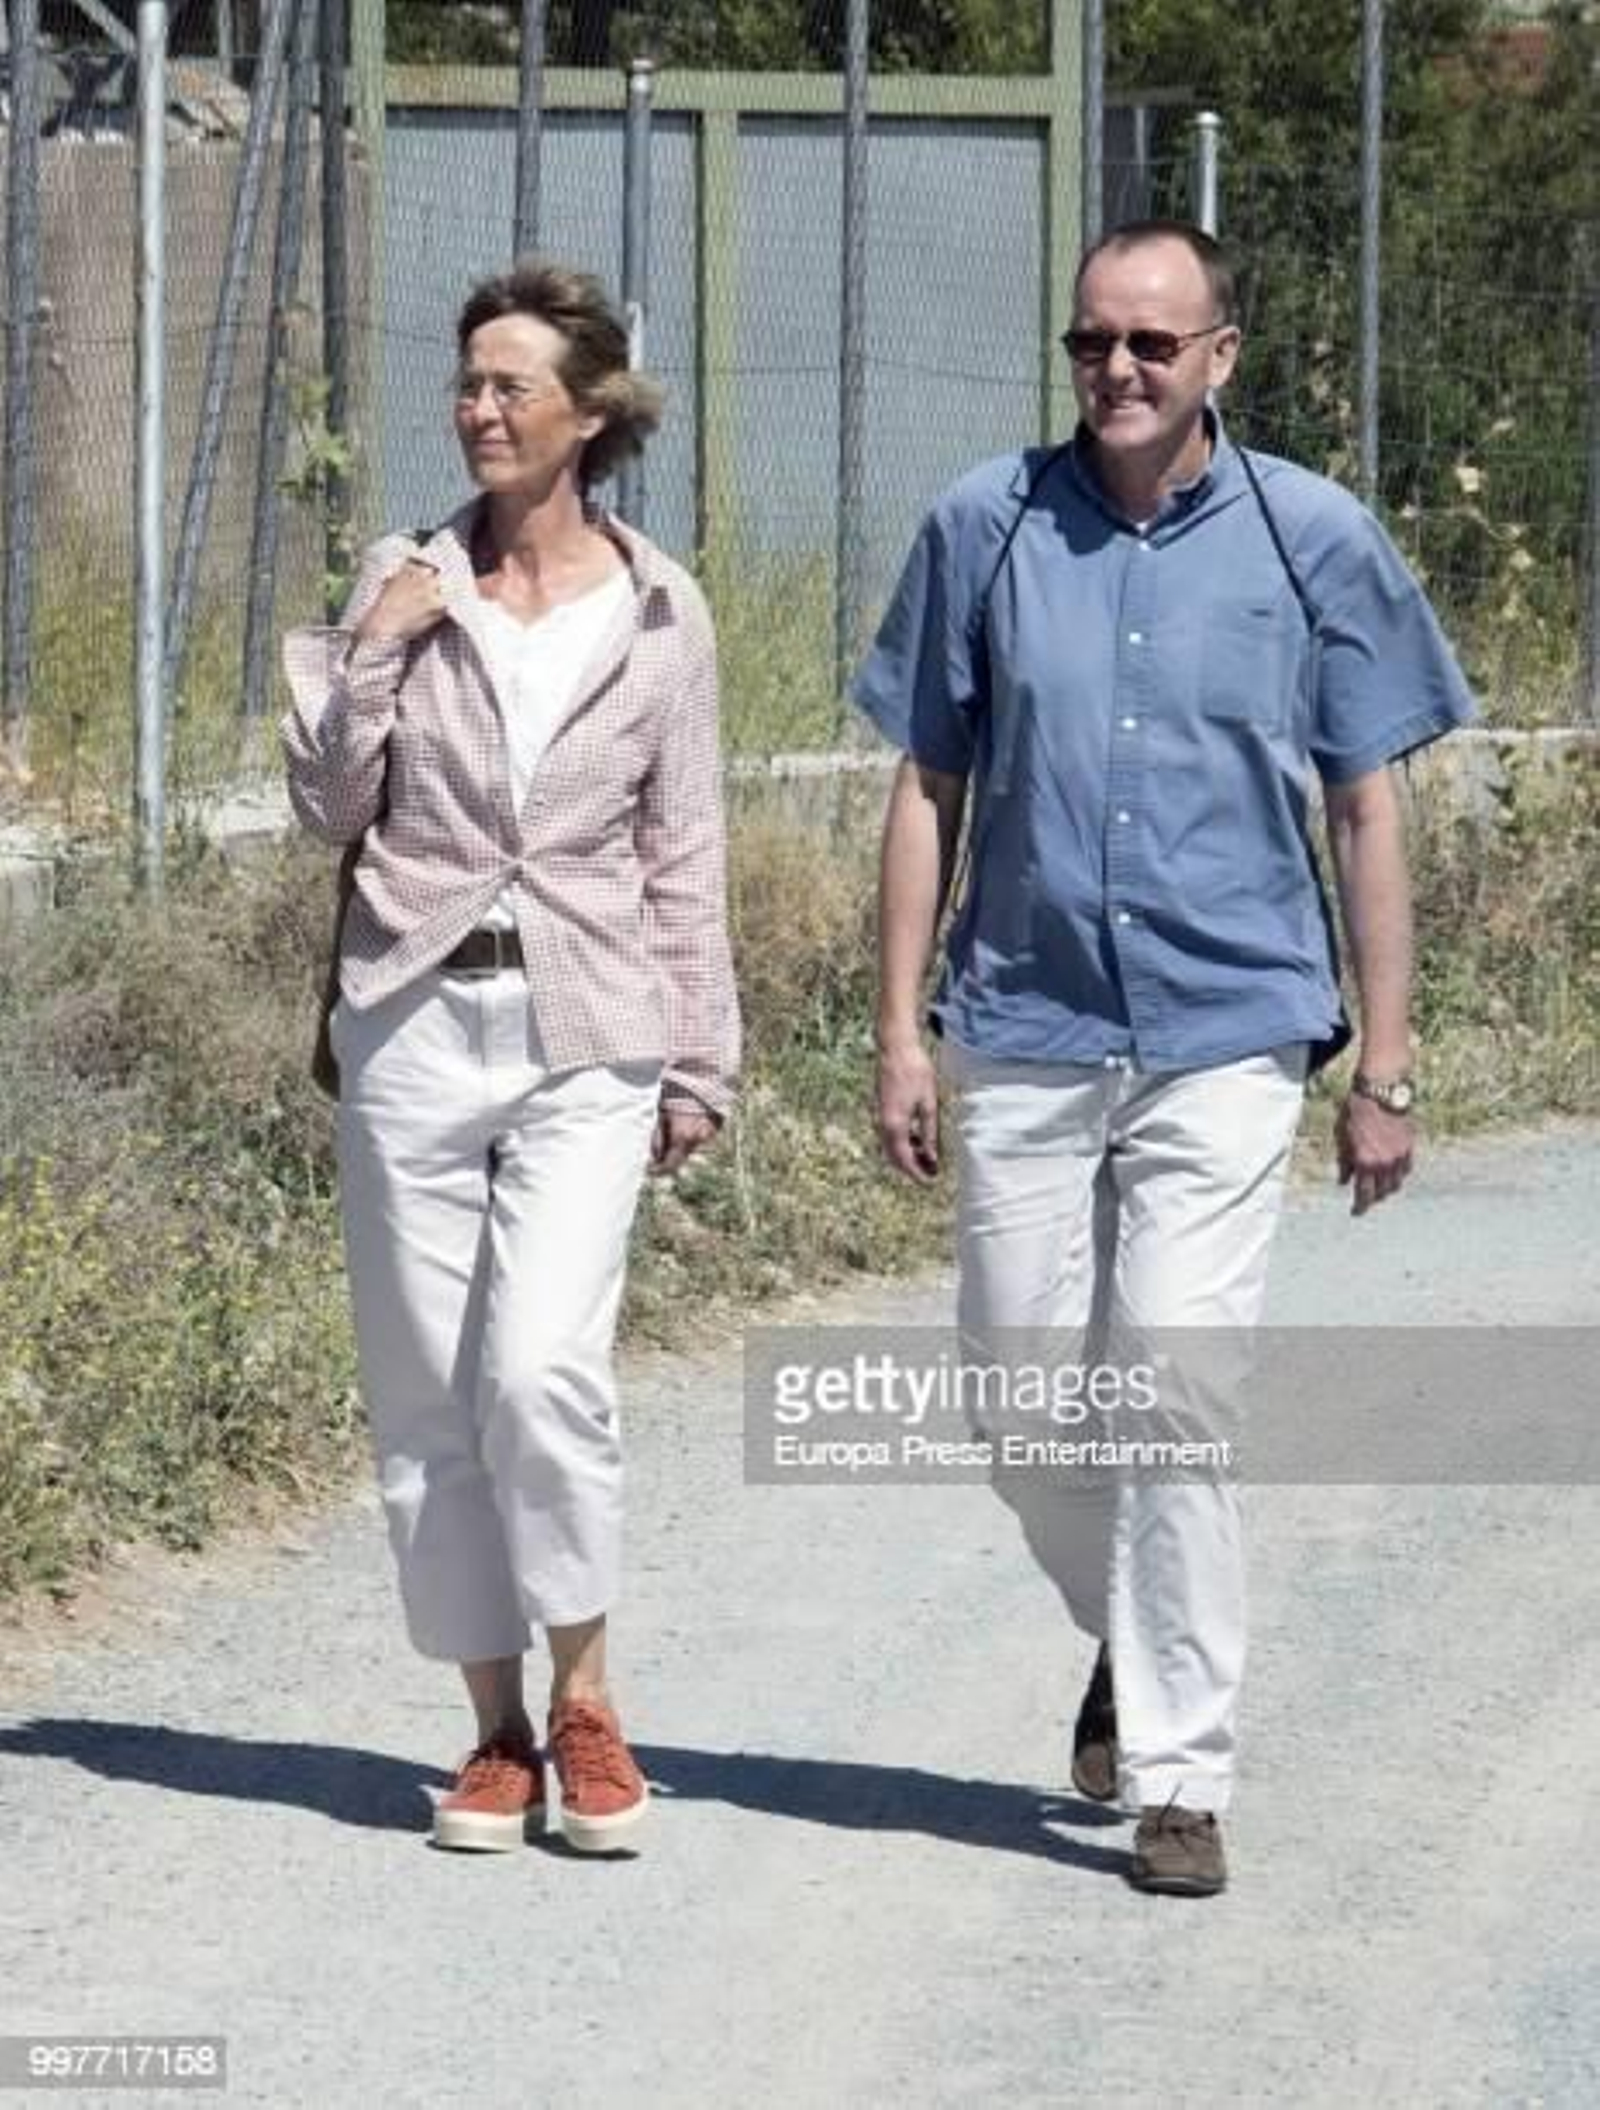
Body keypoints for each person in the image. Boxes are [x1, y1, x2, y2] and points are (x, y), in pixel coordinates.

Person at [854, 220, 1474, 1897]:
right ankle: (1132, 1636)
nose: (1116, 371)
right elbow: (927, 784)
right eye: (1090, 344)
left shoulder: (1312, 536)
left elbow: (1367, 804)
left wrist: (1388, 1064)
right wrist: (901, 1028)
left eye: (1150, 343)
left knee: (1178, 1404)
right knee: (1012, 1393)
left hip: (1227, 1030)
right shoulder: (985, 526)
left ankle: (1184, 1775)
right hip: (1026, 1022)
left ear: (1221, 358)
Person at [281, 260, 738, 1855]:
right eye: (468, 381)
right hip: (410, 1009)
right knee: (425, 1394)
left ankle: (590, 1699)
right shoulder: (403, 577)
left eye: (510, 385)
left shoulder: (663, 611)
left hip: (589, 1026)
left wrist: (703, 1064)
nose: (479, 407)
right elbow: (328, 809)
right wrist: (380, 651)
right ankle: (490, 1735)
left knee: (542, 1368)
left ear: (590, 413)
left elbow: (686, 857)